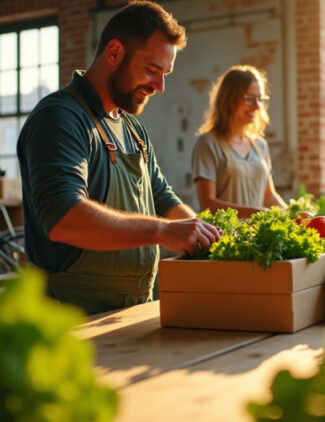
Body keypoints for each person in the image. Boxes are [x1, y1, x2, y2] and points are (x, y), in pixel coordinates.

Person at [17, 1, 221, 315]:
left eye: (165, 74)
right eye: (152, 70)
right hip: (69, 320)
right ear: (114, 53)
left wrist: (206, 235)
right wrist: (163, 232)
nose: (160, 86)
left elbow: (163, 200)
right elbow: (64, 219)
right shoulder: (60, 117)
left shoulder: (133, 129)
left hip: (133, 312)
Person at [191, 65, 286, 218]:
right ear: (229, 99)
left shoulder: (260, 146)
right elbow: (207, 204)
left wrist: (295, 217)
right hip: (223, 237)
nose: (256, 106)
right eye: (249, 98)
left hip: (256, 238)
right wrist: (256, 213)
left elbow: (269, 197)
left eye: (259, 99)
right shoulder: (208, 143)